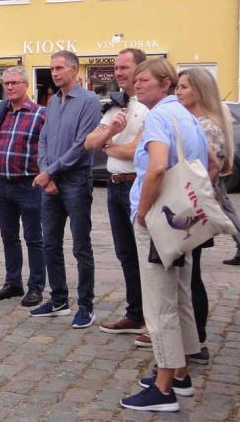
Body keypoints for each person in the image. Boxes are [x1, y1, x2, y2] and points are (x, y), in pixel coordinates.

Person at [119, 58, 209, 412]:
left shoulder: (158, 117)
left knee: (160, 303)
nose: (137, 85)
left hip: (161, 218)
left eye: (145, 80)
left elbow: (156, 166)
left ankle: (164, 386)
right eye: (136, 80)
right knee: (181, 292)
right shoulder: (187, 116)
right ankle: (182, 372)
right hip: (184, 218)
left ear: (165, 84)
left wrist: (142, 212)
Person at [31, 50, 101, 328]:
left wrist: (50, 171)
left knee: (81, 246)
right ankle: (58, 298)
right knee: (50, 243)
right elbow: (44, 139)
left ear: (74, 69)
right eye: (52, 68)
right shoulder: (52, 102)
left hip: (75, 181)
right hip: (51, 181)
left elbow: (82, 146)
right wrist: (46, 173)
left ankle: (86, 304)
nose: (54, 73)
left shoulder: (89, 101)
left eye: (59, 68)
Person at [175, 67, 239, 364]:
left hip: (195, 206)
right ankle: (191, 336)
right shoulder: (195, 121)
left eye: (185, 87)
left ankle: (196, 338)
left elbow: (210, 167)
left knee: (191, 275)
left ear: (199, 91)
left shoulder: (207, 125)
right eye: (178, 86)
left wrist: (193, 196)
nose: (178, 91)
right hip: (191, 204)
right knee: (187, 273)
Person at [84, 49, 149, 336]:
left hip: (138, 184)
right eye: (116, 67)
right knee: (125, 254)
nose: (118, 72)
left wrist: (108, 146)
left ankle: (152, 318)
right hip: (114, 184)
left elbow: (138, 151)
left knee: (146, 255)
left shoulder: (149, 106)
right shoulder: (116, 106)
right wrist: (110, 134)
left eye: (124, 67)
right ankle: (135, 313)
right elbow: (89, 142)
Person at [0, 67, 47, 307]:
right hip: (4, 184)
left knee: (34, 238)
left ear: (26, 85)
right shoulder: (3, 114)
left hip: (29, 184)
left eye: (14, 83)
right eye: (6, 84)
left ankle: (36, 286)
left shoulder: (40, 114)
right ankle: (13, 282)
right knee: (8, 236)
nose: (9, 87)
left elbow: (48, 148)